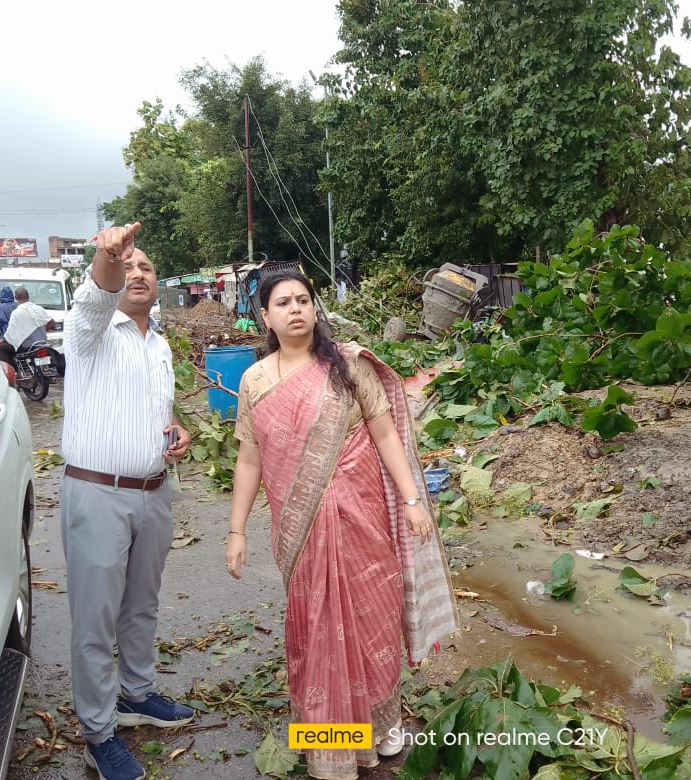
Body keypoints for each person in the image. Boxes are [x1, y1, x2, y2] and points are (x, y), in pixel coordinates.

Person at [225, 269, 457, 780]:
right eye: (282, 302)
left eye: (303, 300)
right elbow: (249, 459)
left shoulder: (348, 367)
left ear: (315, 309)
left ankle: (381, 724)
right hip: (300, 528)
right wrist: (236, 530)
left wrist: (413, 499)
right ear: (264, 316)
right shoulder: (255, 380)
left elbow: (386, 435)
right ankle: (330, 738)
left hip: (363, 515)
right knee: (315, 624)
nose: (295, 309)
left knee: (373, 613)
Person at [60, 222, 193, 780]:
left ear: (158, 283)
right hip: (97, 494)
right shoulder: (89, 328)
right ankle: (98, 729)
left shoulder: (158, 342)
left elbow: (152, 410)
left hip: (152, 494)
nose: (136, 273)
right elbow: (97, 295)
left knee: (142, 605)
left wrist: (173, 428)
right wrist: (109, 258)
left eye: (145, 267)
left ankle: (137, 693)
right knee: (95, 619)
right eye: (128, 265)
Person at [0, 286, 55, 368]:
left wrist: (1, 341)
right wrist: (45, 330)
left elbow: (10, 334)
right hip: (42, 343)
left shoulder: (17, 313)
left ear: (16, 298)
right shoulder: (39, 308)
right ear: (28, 296)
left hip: (27, 347)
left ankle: (12, 372)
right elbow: (52, 322)